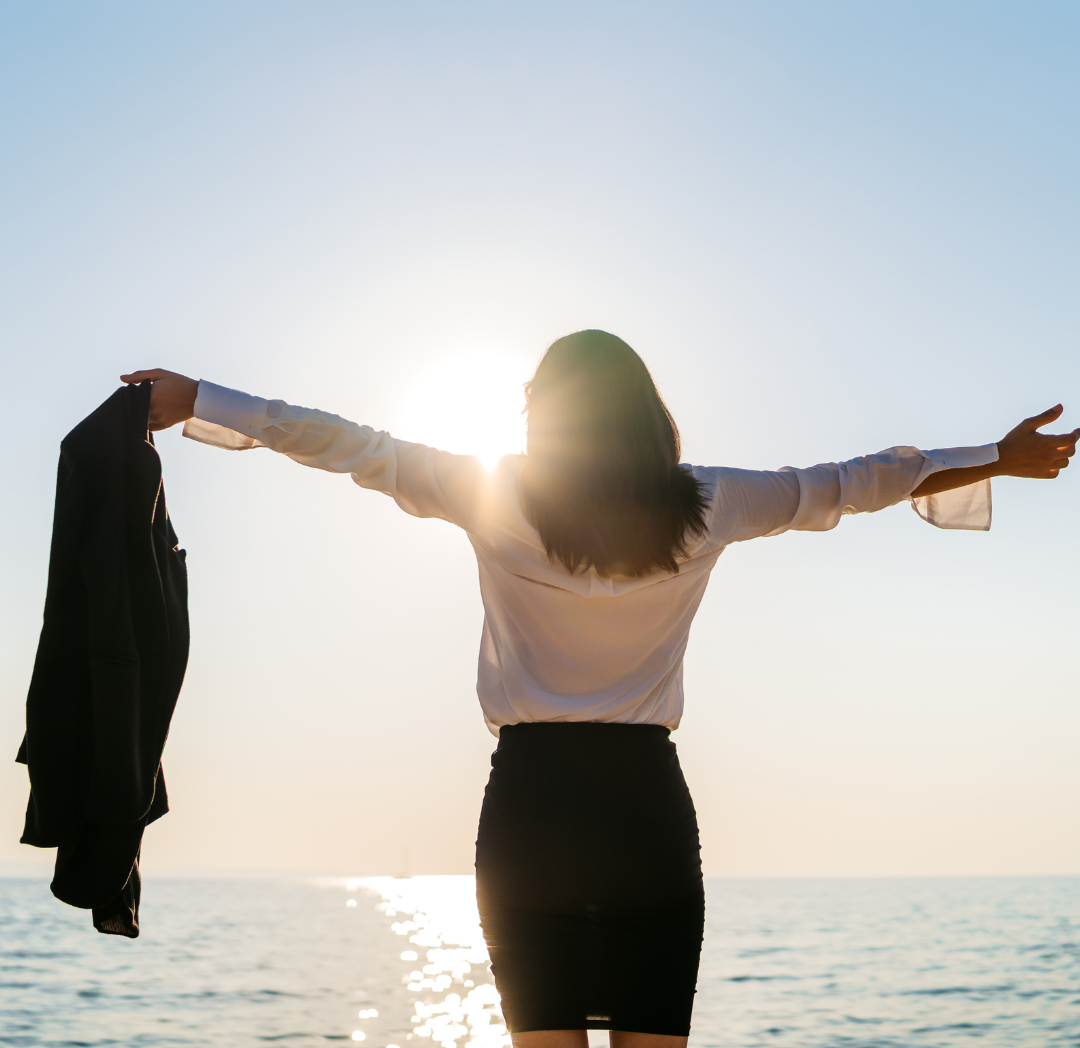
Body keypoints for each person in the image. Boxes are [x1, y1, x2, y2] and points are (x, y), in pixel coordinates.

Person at [122, 330, 1076, 1048]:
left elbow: (345, 443)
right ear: (645, 413)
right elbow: (850, 483)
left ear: (547, 414)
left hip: (532, 810)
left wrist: (201, 397)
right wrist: (996, 457)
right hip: (645, 815)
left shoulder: (491, 491)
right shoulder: (712, 500)